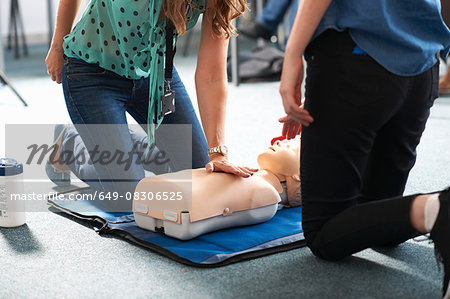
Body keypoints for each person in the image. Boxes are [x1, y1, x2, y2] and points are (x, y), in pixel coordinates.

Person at [278, 0, 450, 297]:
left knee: (324, 235)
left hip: (356, 56)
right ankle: (433, 211)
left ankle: (440, 207)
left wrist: (293, 55)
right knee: (379, 219)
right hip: (422, 67)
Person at [44, 0, 258, 211]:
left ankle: (122, 143)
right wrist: (57, 46)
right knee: (128, 198)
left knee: (200, 177)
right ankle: (69, 143)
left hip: (155, 74)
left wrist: (217, 152)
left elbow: (212, 76)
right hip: (92, 72)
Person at [133, 138, 301, 239]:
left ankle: (135, 142)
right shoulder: (254, 179)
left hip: (184, 201)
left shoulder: (267, 195)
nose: (279, 142)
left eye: (290, 148)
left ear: (298, 178)